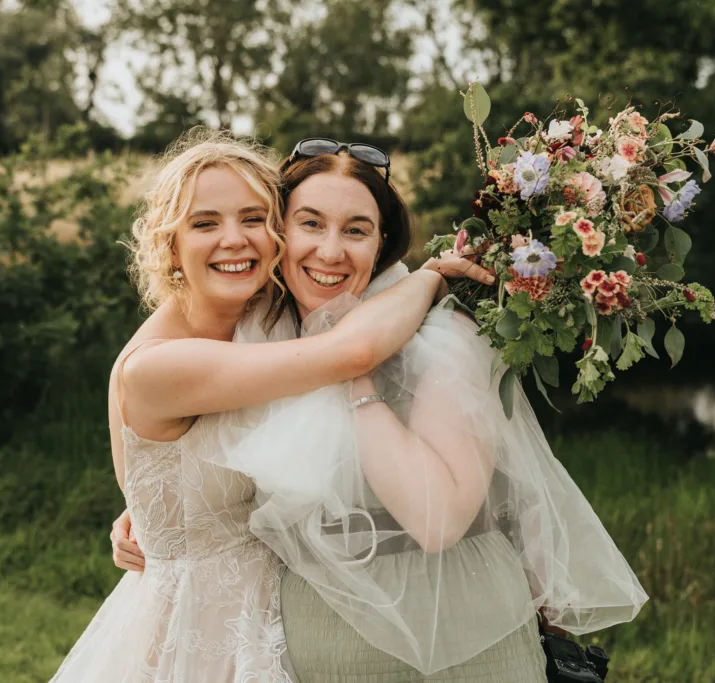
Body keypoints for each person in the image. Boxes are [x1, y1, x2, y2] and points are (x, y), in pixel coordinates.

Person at [111, 138, 647, 682]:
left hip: (454, 636)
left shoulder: (429, 336)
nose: (330, 250)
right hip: (230, 637)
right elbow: (348, 354)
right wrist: (161, 524)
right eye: (310, 223)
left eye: (356, 230)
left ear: (382, 242)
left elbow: (437, 515)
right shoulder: (239, 345)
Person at [48, 130, 466, 683]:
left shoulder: (267, 318)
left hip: (281, 623)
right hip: (198, 637)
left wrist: (148, 512)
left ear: (277, 233)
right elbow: (354, 351)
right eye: (204, 223)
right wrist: (433, 275)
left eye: (252, 218)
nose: (234, 239)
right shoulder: (155, 366)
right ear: (169, 244)